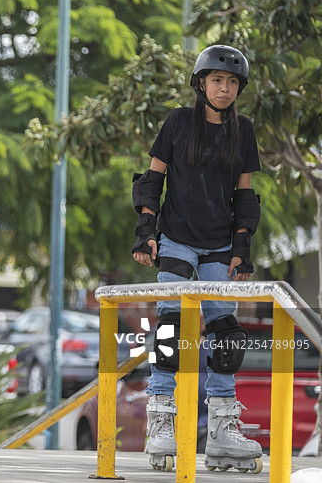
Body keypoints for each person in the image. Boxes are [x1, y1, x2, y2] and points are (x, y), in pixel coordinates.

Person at [131, 44, 263, 473]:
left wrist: (241, 249)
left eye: (231, 83)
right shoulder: (177, 122)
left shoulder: (243, 131)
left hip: (220, 243)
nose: (224, 89)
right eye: (217, 80)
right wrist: (146, 233)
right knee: (172, 323)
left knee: (226, 328)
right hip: (176, 238)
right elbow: (153, 179)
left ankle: (223, 426)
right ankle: (161, 418)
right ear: (201, 83)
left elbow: (244, 194)